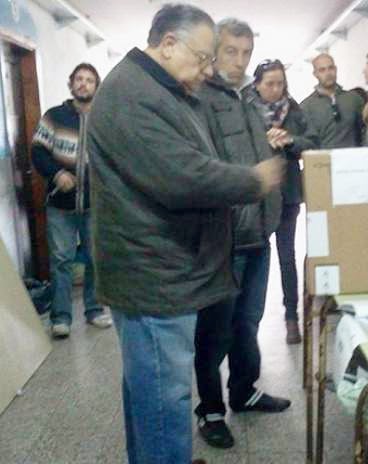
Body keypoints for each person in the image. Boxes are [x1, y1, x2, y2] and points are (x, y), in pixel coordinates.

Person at [87, 6, 283, 463]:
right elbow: (184, 176)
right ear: (168, 44)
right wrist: (254, 180)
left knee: (150, 395)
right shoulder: (133, 96)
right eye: (203, 57)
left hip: (163, 269)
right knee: (163, 399)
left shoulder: (160, 88)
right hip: (153, 277)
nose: (207, 70)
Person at [194, 18, 291, 450]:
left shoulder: (248, 102)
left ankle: (244, 391)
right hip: (224, 239)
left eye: (246, 52)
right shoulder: (200, 100)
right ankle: (211, 410)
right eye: (230, 51)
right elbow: (205, 171)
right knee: (215, 330)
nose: (239, 61)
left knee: (248, 322)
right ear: (214, 51)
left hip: (258, 234)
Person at [31, 62, 112, 339]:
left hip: (95, 205)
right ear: (71, 84)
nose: (83, 84)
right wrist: (56, 174)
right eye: (79, 79)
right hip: (60, 206)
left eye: (89, 80)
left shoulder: (105, 118)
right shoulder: (54, 117)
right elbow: (38, 152)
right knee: (61, 261)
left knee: (95, 259)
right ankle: (61, 317)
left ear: (96, 87)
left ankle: (94, 310)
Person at [246, 58, 319, 344]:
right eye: (270, 84)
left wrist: (289, 140)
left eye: (280, 83)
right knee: (256, 257)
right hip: (256, 196)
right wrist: (262, 141)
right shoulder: (245, 108)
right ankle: (248, 322)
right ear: (257, 85)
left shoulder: (294, 109)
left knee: (287, 256)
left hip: (287, 195)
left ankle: (291, 318)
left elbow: (312, 142)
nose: (276, 89)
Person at [300, 53, 364, 148]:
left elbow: (366, 130)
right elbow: (307, 142)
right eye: (322, 70)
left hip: (354, 155)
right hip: (323, 157)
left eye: (331, 68)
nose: (328, 73)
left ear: (336, 69)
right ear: (315, 74)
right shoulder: (306, 107)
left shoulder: (353, 99)